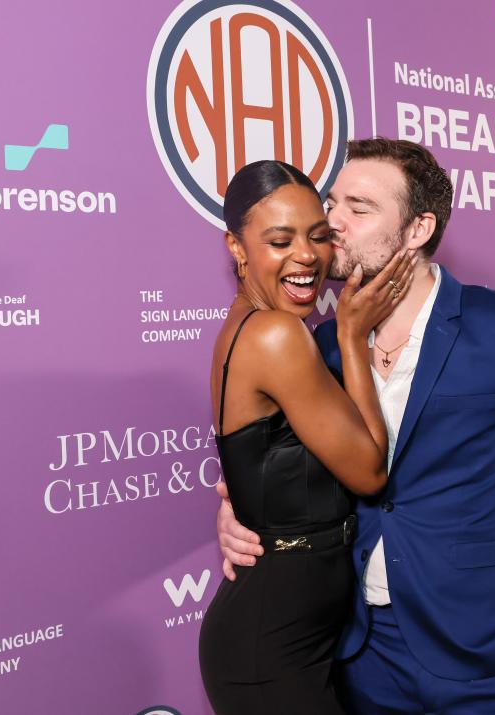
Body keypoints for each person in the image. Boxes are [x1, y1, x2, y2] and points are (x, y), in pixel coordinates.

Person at [216, 138, 495, 714]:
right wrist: (238, 507)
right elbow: (280, 462)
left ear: (417, 230)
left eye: (358, 210)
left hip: (493, 663)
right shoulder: (314, 350)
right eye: (331, 203)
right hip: (359, 659)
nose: (331, 223)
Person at [197, 159, 416, 715]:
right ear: (236, 246)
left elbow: (272, 469)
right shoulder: (275, 334)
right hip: (269, 642)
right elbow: (369, 471)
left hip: (297, 628)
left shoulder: (261, 326)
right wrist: (350, 332)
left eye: (319, 236)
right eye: (280, 240)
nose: (306, 256)